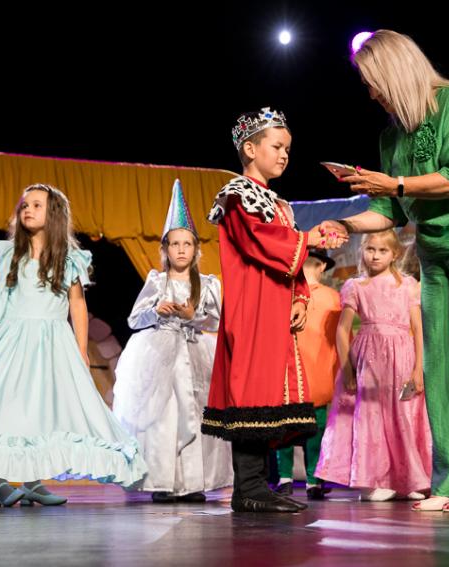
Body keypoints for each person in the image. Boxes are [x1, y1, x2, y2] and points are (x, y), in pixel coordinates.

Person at [321, 30, 449, 512]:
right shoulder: (391, 135)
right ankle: (448, 481)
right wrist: (342, 224)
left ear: (395, 73)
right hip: (436, 247)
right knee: (438, 362)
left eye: (373, 83)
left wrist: (394, 183)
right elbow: (386, 212)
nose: (370, 94)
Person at [0, 184, 147, 506]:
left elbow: (77, 305)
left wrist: (80, 350)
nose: (28, 209)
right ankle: (0, 481)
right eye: (25, 204)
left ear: (53, 214)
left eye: (37, 205)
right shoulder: (8, 254)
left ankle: (34, 482)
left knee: (40, 412)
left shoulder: (68, 258)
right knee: (2, 410)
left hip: (52, 343)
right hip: (11, 341)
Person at [203, 107, 343, 513]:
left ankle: (257, 485)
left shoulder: (277, 203)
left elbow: (287, 258)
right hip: (253, 306)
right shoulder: (238, 195)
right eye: (277, 146)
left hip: (275, 306)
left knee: (270, 389)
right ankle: (248, 487)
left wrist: (299, 297)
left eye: (287, 149)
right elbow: (259, 241)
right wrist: (308, 238)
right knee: (253, 388)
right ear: (250, 149)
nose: (284, 155)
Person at [113, 180, 232, 503]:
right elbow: (134, 320)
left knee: (197, 412)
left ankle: (193, 483)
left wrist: (194, 315)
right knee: (165, 415)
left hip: (195, 353)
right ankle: (164, 481)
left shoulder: (208, 284)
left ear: (195, 249)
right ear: (165, 249)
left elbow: (217, 322)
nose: (181, 249)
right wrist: (156, 311)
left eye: (187, 244)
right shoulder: (157, 281)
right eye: (175, 244)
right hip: (160, 353)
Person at [316, 230, 431, 501]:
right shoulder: (356, 286)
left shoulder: (408, 285)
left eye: (382, 251)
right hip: (369, 359)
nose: (375, 256)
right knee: (370, 417)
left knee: (404, 415)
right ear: (362, 251)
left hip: (401, 357)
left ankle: (408, 479)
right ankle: (371, 481)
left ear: (395, 254)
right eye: (370, 249)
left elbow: (418, 328)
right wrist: (347, 369)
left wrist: (418, 369)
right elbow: (342, 331)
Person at [274, 249, 340, 500]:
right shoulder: (287, 293)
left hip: (313, 368)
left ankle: (305, 478)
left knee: (305, 426)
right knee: (292, 425)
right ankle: (297, 478)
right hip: (297, 367)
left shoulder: (332, 297)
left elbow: (339, 336)